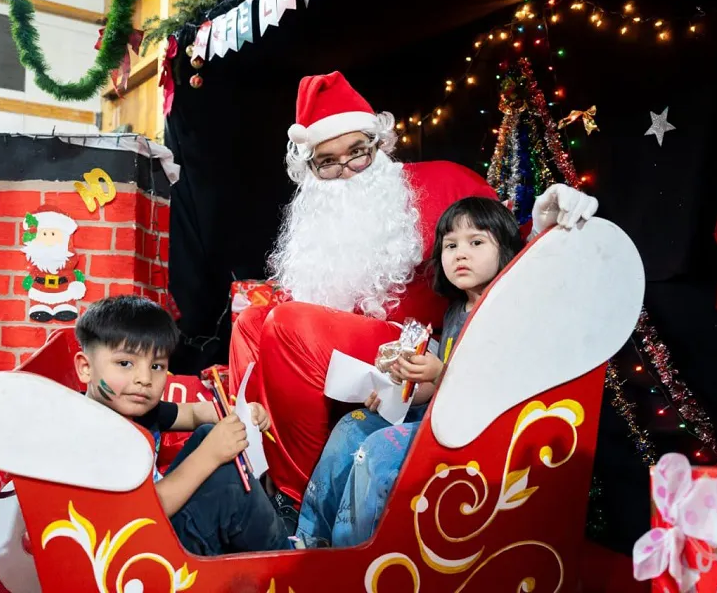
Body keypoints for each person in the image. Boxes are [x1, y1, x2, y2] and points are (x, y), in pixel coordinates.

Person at [230, 71, 599, 505]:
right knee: (253, 322)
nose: (346, 171)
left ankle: (297, 500)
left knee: (289, 324)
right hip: (349, 357)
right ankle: (257, 473)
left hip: (423, 346)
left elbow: (503, 247)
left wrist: (544, 227)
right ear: (310, 168)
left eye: (358, 154)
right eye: (327, 162)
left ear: (380, 145)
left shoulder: (443, 182)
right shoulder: (315, 216)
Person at [294, 197, 525, 548]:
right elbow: (433, 390)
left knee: (378, 450)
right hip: (436, 417)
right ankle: (311, 540)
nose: (460, 253)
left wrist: (442, 372)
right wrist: (399, 385)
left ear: (506, 250)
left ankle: (353, 553)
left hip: (476, 430)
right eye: (451, 245)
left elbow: (498, 386)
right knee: (353, 424)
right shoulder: (454, 312)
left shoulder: (507, 311)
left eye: (476, 242)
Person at [74, 295, 291, 555]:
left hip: (154, 524)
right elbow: (139, 512)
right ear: (86, 368)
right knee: (228, 484)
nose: (144, 378)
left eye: (156, 366)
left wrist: (238, 413)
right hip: (137, 553)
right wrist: (210, 454)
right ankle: (284, 562)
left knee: (207, 433)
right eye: (125, 363)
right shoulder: (94, 434)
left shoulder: (130, 406)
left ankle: (270, 537)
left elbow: (191, 414)